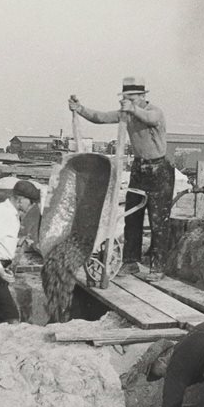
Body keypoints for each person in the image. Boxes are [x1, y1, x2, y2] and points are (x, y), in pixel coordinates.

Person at [69, 77, 173, 281]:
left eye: (131, 97)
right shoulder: (126, 114)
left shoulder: (153, 111)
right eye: (124, 97)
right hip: (139, 169)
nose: (126, 101)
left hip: (159, 170)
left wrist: (132, 109)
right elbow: (100, 117)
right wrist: (79, 108)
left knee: (158, 221)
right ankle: (130, 261)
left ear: (142, 97)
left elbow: (151, 119)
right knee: (131, 218)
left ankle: (158, 267)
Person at [0, 180, 41, 326]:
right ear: (20, 199)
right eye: (30, 202)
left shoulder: (11, 212)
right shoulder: (4, 214)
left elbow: (3, 238)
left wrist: (17, 241)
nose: (32, 206)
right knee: (12, 317)